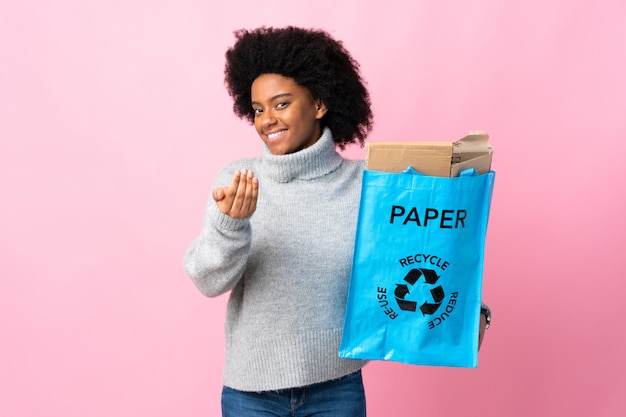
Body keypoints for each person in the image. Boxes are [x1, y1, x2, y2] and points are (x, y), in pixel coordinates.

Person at [183, 26, 489, 417]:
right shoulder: (239, 179)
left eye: (281, 104)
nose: (266, 120)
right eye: (258, 109)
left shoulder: (367, 184)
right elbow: (207, 280)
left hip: (336, 391)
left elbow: (418, 253)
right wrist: (231, 226)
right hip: (250, 395)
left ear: (320, 103)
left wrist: (466, 312)